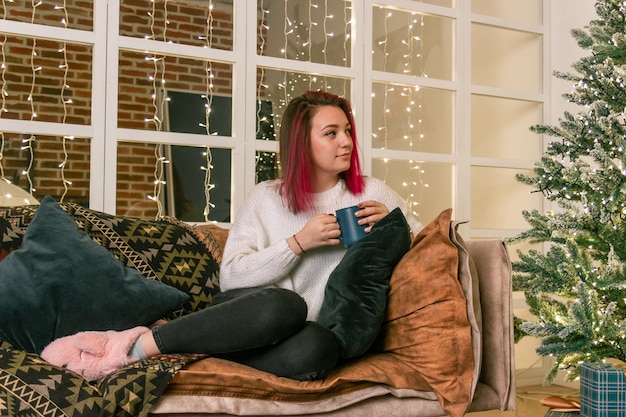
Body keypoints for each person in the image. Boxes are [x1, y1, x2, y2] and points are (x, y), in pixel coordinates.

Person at [41, 90, 423, 382]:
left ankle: (195, 357)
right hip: (258, 315)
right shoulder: (266, 198)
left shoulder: (373, 194)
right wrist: (298, 243)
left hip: (303, 336)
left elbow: (423, 243)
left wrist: (393, 225)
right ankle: (134, 347)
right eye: (331, 133)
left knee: (320, 347)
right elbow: (232, 277)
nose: (346, 141)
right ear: (301, 144)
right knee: (285, 305)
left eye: (347, 131)